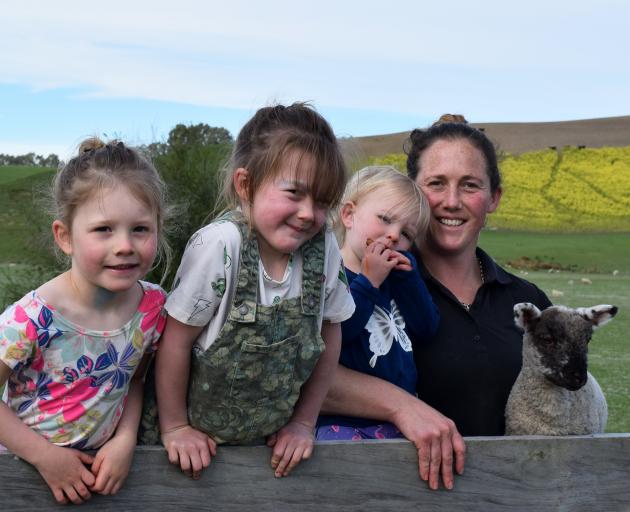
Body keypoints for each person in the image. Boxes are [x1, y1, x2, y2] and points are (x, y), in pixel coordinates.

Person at [321, 115, 552, 490]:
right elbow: (304, 374)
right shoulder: (370, 282)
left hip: (512, 495)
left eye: (471, 185)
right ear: (413, 193)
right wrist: (403, 406)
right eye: (436, 184)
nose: (451, 201)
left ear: (494, 198)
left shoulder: (527, 301)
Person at [155, 103, 355, 480]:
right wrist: (176, 428)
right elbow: (175, 343)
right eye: (294, 193)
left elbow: (331, 334)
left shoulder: (323, 247)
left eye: (323, 201)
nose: (309, 213)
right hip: (189, 453)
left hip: (266, 455)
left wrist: (303, 423)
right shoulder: (220, 246)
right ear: (245, 185)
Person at [0, 138, 169, 504]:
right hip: (21, 470)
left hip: (99, 475)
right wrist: (45, 457)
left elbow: (134, 379)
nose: (125, 245)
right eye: (104, 229)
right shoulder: (34, 317)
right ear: (65, 237)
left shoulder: (152, 307)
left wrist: (125, 441)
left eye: (140, 228)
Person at [316, 166, 439, 440]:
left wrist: (409, 280)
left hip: (398, 421)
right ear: (348, 215)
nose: (394, 235)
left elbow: (427, 327)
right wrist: (369, 282)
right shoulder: (331, 275)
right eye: (385, 219)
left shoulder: (397, 281)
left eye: (407, 234)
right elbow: (340, 333)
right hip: (340, 421)